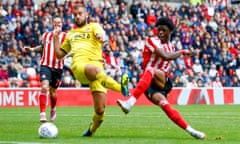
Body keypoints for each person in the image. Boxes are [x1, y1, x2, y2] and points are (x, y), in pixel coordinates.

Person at [117, 17, 206, 139]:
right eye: (158, 30)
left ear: (170, 31)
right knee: (165, 105)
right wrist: (182, 52)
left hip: (162, 80)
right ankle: (192, 131)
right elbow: (165, 56)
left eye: (163, 30)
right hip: (148, 83)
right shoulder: (152, 41)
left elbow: (167, 57)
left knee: (151, 70)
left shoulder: (172, 48)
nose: (160, 33)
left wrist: (181, 52)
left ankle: (130, 102)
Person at [53, 4, 129, 137]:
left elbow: (101, 34)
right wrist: (55, 37)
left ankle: (91, 130)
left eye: (80, 14)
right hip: (80, 66)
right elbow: (59, 55)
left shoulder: (94, 26)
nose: (77, 17)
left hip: (97, 69)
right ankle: (121, 88)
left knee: (100, 110)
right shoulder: (71, 34)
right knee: (93, 69)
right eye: (75, 15)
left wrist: (101, 37)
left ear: (86, 14)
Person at [24, 16, 66, 122]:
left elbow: (68, 51)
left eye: (59, 23)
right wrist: (32, 49)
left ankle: (52, 109)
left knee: (53, 92)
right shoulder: (46, 35)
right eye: (55, 22)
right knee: (44, 87)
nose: (57, 24)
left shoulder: (65, 37)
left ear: (62, 24)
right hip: (45, 65)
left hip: (58, 68)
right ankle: (42, 114)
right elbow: (42, 48)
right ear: (52, 24)